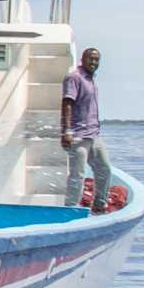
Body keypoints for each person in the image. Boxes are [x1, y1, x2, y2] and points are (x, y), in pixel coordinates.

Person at [61, 45, 113, 209]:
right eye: (90, 59)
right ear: (82, 60)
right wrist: (67, 130)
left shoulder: (91, 79)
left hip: (93, 134)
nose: (93, 62)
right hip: (78, 135)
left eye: (96, 60)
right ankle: (70, 209)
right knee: (78, 174)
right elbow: (67, 103)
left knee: (104, 169)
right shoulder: (74, 77)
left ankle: (99, 204)